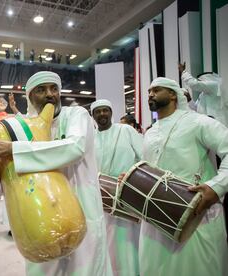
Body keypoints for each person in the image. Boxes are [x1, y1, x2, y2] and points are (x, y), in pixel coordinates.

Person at [0, 71, 112, 275]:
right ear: (30, 96)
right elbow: (6, 189)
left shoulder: (76, 115)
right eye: (41, 90)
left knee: (85, 270)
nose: (50, 94)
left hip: (82, 210)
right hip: (39, 221)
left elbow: (76, 148)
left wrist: (14, 150)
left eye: (54, 89)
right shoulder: (19, 128)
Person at [134, 77, 228, 275]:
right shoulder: (150, 133)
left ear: (172, 94)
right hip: (156, 218)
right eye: (149, 90)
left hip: (198, 214)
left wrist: (215, 187)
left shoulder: (197, 122)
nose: (150, 94)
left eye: (156, 90)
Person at [91, 99, 142, 276]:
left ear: (111, 113)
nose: (102, 114)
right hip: (101, 200)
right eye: (98, 111)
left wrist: (133, 178)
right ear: (93, 116)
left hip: (127, 195)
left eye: (105, 110)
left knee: (128, 241)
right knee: (105, 244)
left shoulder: (125, 130)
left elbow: (144, 156)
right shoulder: (90, 138)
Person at [179, 62, 228, 126]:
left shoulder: (214, 85)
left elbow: (193, 84)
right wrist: (189, 99)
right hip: (207, 126)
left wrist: (183, 72)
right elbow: (196, 109)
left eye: (201, 81)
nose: (200, 83)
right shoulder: (203, 94)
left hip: (218, 124)